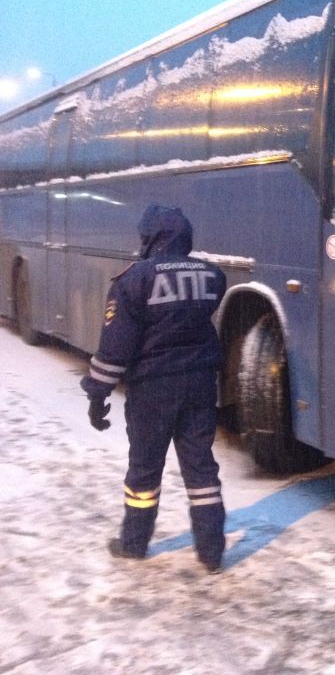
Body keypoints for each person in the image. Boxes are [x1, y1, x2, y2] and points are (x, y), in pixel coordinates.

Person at [80, 205, 228, 574]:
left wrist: (98, 393)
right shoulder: (212, 274)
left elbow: (116, 345)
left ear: (150, 238)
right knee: (200, 467)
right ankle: (211, 551)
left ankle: (134, 543)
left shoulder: (134, 280)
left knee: (145, 468)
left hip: (153, 389)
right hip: (199, 385)